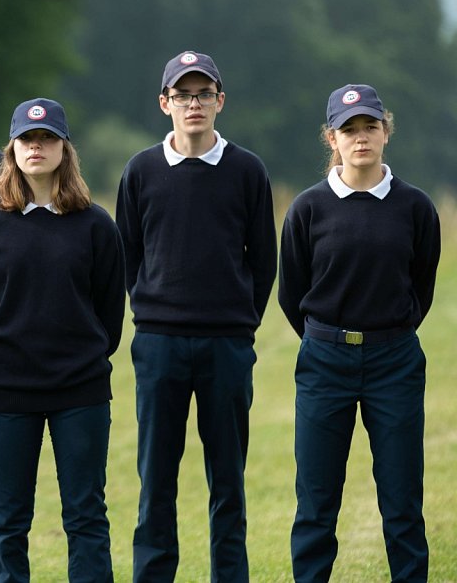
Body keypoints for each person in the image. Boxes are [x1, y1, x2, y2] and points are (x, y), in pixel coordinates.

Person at [115, 51, 277, 582]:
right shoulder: (140, 171)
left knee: (227, 480)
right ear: (165, 104)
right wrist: (151, 308)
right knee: (155, 478)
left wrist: (239, 323)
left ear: (219, 102)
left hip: (226, 345)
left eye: (203, 94)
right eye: (182, 95)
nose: (193, 104)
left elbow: (264, 259)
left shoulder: (247, 170)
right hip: (159, 343)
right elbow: (128, 255)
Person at [278, 84, 439, 583]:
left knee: (402, 500)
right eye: (349, 129)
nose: (360, 137)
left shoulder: (415, 207)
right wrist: (327, 338)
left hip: (395, 361)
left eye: (370, 126)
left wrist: (390, 331)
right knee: (316, 502)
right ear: (332, 138)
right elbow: (293, 294)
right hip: (325, 361)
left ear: (386, 132)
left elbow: (422, 286)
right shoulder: (307, 208)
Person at [0, 98, 125, 583]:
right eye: (27, 139)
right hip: (7, 392)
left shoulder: (96, 226)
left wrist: (83, 356)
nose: (37, 147)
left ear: (64, 148)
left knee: (86, 515)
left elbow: (109, 313)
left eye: (47, 138)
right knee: (7, 519)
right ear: (11, 149)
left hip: (81, 390)